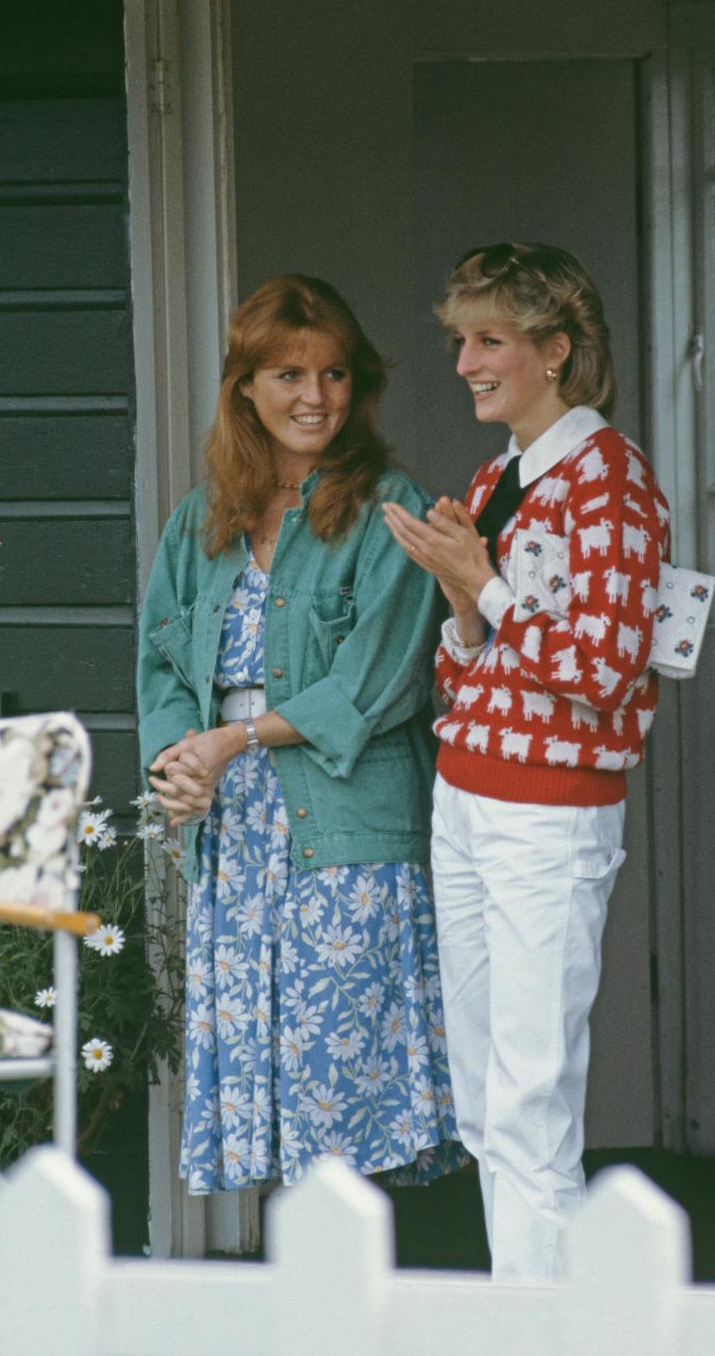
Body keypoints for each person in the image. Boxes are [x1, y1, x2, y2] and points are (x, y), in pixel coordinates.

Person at [137, 273, 465, 1192]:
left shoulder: (385, 506)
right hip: (232, 836)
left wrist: (230, 744)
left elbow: (378, 680)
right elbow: (164, 661)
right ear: (245, 384)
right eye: (288, 374)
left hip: (345, 834)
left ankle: (351, 1308)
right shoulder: (202, 518)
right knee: (266, 1087)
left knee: (341, 1087)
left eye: (333, 374)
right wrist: (178, 764)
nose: (314, 396)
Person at [381, 241, 670, 1283]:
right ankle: (526, 1305)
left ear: (555, 350)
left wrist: (484, 585)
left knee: (532, 1087)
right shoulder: (500, 475)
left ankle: (548, 1323)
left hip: (550, 815)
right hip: (468, 797)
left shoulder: (611, 480)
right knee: (482, 1089)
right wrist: (464, 600)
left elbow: (601, 666)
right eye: (460, 338)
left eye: (489, 338)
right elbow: (475, 677)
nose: (464, 361)